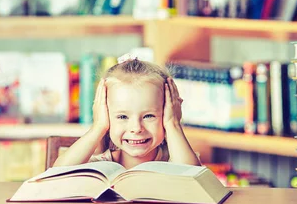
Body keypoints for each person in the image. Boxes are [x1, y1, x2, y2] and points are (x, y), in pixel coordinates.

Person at [53, 56, 201, 169]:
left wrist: (173, 124)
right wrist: (98, 127)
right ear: (106, 116)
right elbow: (57, 172)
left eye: (149, 116)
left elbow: (193, 180)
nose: (136, 128)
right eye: (122, 116)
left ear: (169, 112)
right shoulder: (101, 165)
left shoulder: (177, 158)